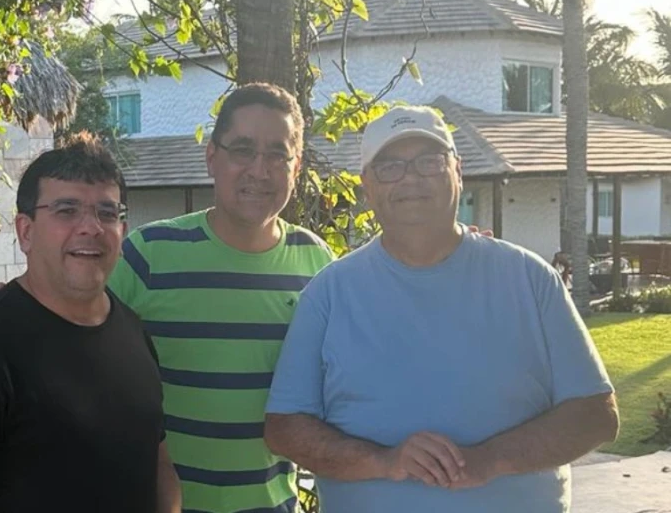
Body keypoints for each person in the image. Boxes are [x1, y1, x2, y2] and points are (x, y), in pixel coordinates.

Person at [264, 106, 619, 513]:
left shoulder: (530, 279)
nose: (411, 178)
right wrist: (385, 462)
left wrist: (490, 460)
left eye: (429, 161)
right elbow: (285, 428)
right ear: (368, 187)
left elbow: (596, 415)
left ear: (458, 171)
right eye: (390, 167)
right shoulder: (328, 294)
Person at [0, 133, 180, 513]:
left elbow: (159, 466)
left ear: (122, 231)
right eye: (66, 210)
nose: (91, 227)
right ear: (26, 231)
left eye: (107, 213)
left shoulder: (134, 333)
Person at [107, 83, 334, 512]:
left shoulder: (318, 265)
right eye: (243, 150)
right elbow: (70, 339)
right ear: (212, 156)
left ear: (297, 167)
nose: (259, 171)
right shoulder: (148, 255)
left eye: (278, 154)